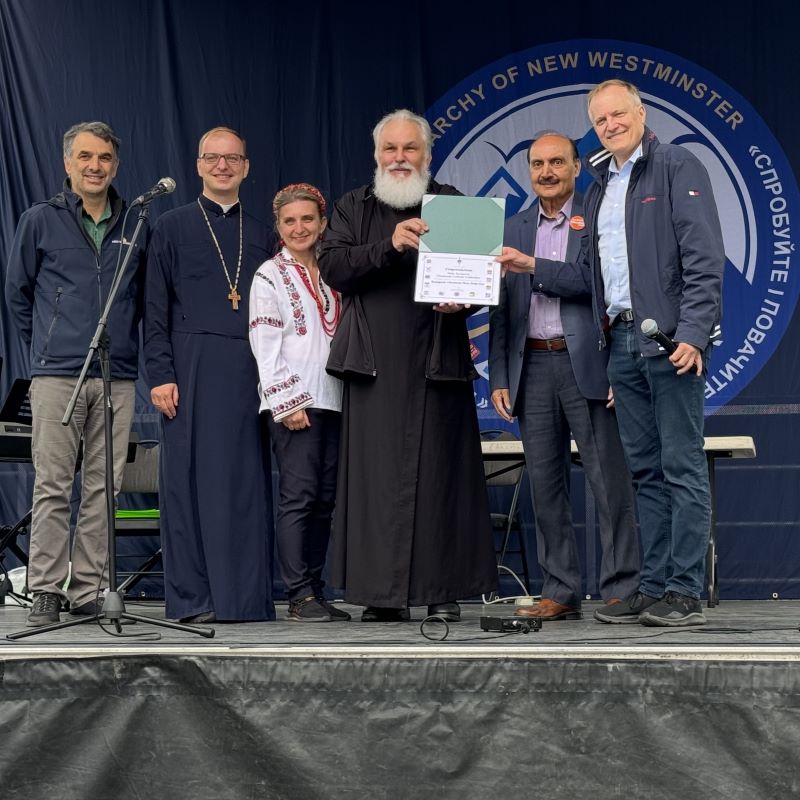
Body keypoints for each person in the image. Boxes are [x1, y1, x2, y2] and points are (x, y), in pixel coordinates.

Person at [498, 80, 724, 627]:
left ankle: (684, 589)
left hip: (668, 340)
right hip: (618, 341)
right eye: (600, 120)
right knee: (645, 470)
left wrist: (694, 332)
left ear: (640, 112)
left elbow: (703, 256)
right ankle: (652, 584)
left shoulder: (676, 165)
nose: (610, 125)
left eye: (618, 114)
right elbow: (585, 275)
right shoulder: (602, 184)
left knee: (681, 465)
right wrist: (531, 268)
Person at [318, 109, 496, 623]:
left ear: (427, 154)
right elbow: (334, 268)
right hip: (374, 367)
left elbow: (484, 282)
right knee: (374, 483)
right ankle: (382, 595)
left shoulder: (456, 206)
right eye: (390, 149)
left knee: (445, 478)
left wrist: (463, 302)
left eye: (410, 149)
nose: (399, 158)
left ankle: (444, 591)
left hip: (438, 361)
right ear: (377, 155)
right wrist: (390, 245)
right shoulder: (354, 205)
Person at [489, 131, 640, 622]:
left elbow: (591, 283)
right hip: (531, 366)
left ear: (577, 167)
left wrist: (533, 266)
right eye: (537, 164)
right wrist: (498, 373)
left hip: (586, 363)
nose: (546, 172)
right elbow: (502, 309)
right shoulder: (513, 226)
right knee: (545, 485)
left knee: (607, 481)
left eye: (557, 162)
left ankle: (621, 588)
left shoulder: (595, 217)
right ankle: (561, 590)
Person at [5, 121, 145, 626]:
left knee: (103, 488)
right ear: (67, 164)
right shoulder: (39, 220)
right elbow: (18, 295)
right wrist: (47, 348)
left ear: (115, 165)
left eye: (104, 157)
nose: (94, 166)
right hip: (57, 376)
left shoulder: (136, 223)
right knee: (52, 484)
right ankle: (45, 587)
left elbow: (145, 300)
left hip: (118, 375)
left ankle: (89, 587)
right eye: (85, 156)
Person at [144, 126, 274, 623]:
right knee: (187, 485)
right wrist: (160, 373)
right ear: (198, 165)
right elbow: (154, 308)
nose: (223, 166)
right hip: (189, 368)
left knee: (243, 486)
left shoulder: (264, 233)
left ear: (246, 167)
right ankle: (193, 600)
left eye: (233, 158)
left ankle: (243, 600)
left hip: (249, 370)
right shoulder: (169, 227)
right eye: (213, 158)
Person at [249, 183, 348, 623]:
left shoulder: (333, 273)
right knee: (299, 497)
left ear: (323, 224)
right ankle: (298, 594)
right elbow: (264, 343)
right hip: (296, 403)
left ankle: (316, 589)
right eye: (289, 221)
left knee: (325, 499)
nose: (299, 227)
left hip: (335, 400)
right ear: (279, 226)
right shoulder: (270, 274)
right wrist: (285, 401)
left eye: (308, 219)